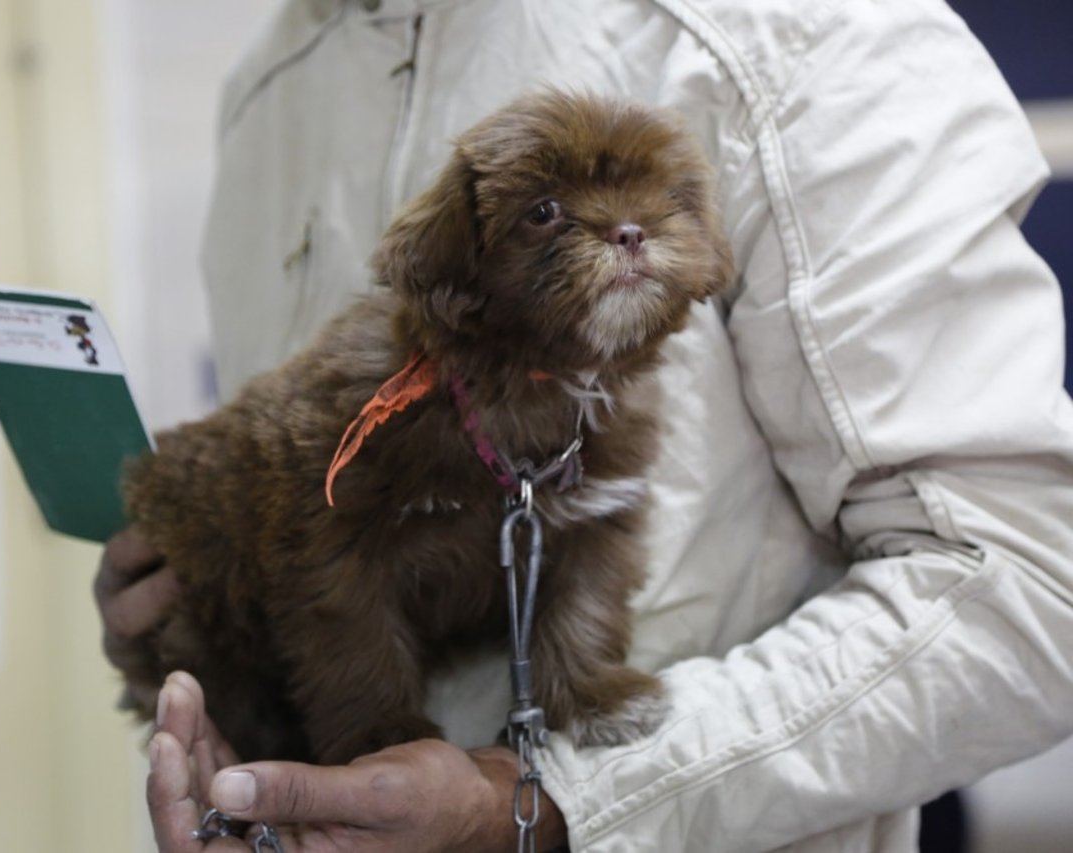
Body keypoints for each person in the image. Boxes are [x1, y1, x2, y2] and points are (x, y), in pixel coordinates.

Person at [95, 0, 1073, 849]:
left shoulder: (805, 37)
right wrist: (202, 637)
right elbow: (294, 506)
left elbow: (1029, 591)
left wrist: (564, 803)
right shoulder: (264, 86)